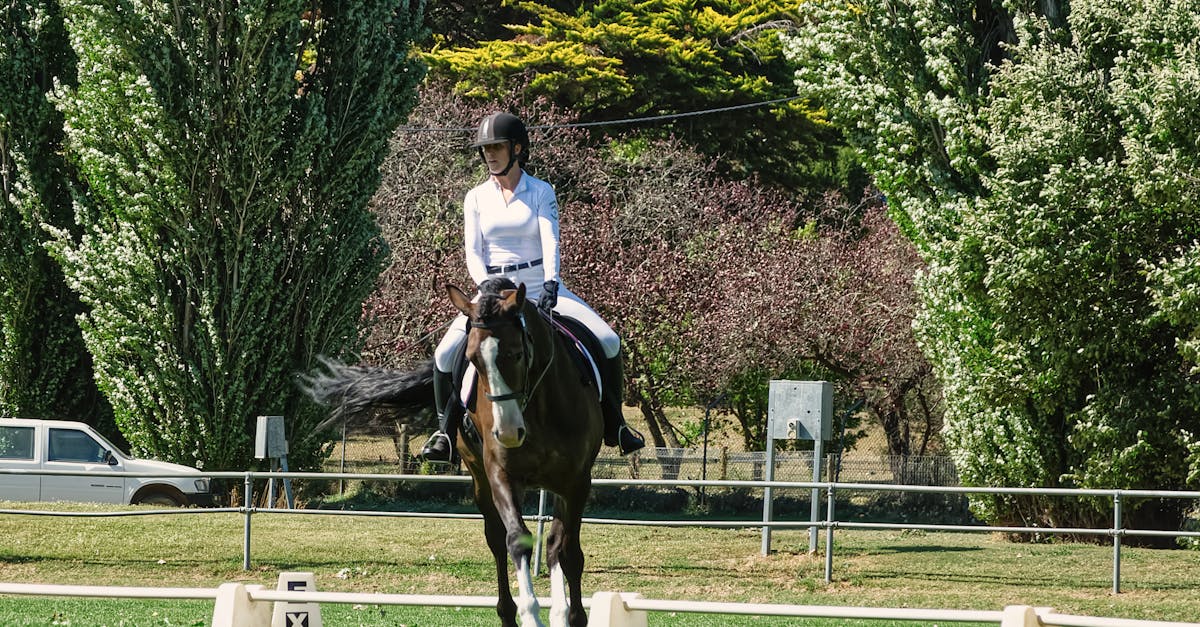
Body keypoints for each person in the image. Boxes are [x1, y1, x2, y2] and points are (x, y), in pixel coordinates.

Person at [421, 112, 645, 463]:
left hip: (539, 285)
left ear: (517, 148)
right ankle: (444, 432)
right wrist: (486, 288)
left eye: (496, 147)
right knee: (445, 353)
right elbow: (473, 251)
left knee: (608, 340)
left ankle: (616, 423)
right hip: (492, 288)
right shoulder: (476, 197)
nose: (489, 154)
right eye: (485, 149)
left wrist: (552, 283)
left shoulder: (540, 191)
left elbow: (549, 240)